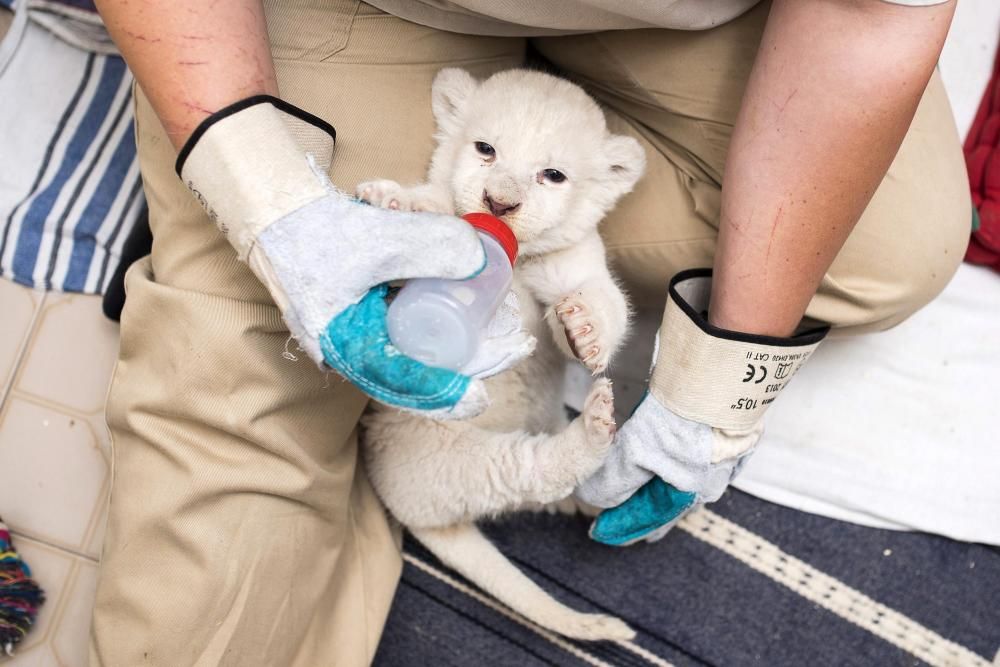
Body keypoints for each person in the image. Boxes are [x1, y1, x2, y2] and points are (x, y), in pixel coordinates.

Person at [89, 0, 968, 664]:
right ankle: (252, 233)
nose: (505, 195)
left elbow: (871, 17)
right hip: (374, 10)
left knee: (885, 246)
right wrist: (265, 203)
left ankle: (523, 236)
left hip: (672, 23)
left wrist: (720, 380)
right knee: (225, 473)